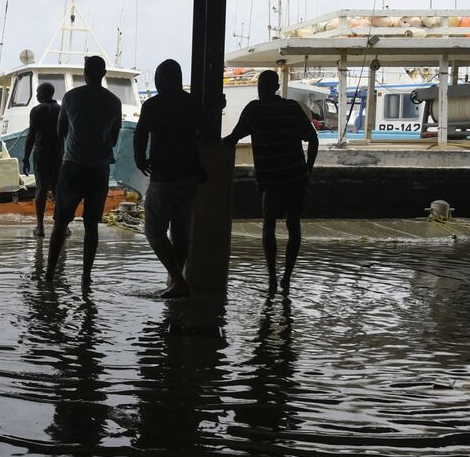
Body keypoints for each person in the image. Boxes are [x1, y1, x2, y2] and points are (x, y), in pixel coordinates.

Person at [222, 70, 319, 296]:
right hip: (295, 177)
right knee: (293, 225)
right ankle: (286, 278)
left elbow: (232, 139)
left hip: (271, 180)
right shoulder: (292, 108)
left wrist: (207, 145)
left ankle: (273, 278)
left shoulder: (254, 110)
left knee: (269, 226)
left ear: (262, 87)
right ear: (276, 87)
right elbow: (312, 138)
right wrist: (308, 169)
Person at [44, 55, 122, 287]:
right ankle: (86, 276)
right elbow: (115, 137)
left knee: (61, 223)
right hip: (99, 170)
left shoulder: (70, 97)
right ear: (104, 74)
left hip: (73, 167)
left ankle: (49, 273)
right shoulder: (114, 101)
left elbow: (61, 131)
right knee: (91, 226)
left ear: (86, 73)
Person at [134, 59, 205, 299]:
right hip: (191, 177)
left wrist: (140, 160)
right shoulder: (193, 104)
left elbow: (141, 134)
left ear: (161, 80)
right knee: (181, 232)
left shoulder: (153, 105)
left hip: (164, 176)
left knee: (154, 231)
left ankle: (177, 280)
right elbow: (206, 131)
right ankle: (177, 280)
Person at [21, 81, 62, 236]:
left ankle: (40, 227)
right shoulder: (61, 109)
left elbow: (31, 136)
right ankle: (61, 225)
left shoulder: (37, 110)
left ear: (44, 93)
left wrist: (25, 158)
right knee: (58, 189)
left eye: (38, 92)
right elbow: (65, 132)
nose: (37, 95)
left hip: (42, 151)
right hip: (58, 152)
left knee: (41, 189)